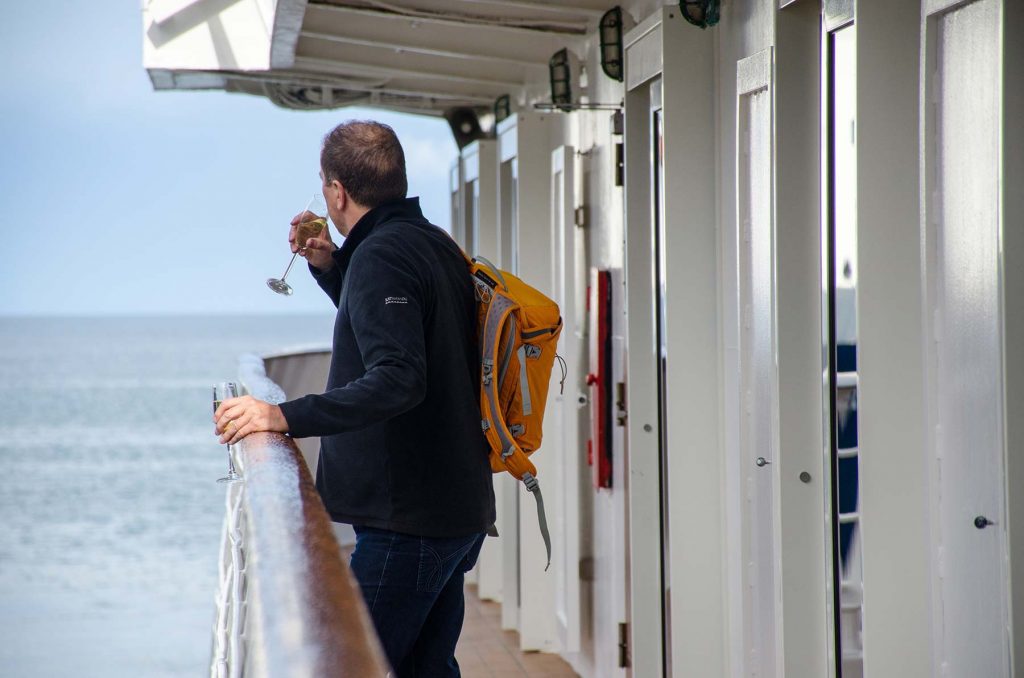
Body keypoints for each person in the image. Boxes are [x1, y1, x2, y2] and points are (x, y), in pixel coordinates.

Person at [213, 120, 495, 677]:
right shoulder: (429, 242)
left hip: (409, 523)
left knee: (348, 664)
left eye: (325, 188)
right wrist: (330, 265)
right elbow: (394, 331)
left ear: (337, 192)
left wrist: (283, 415)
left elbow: (398, 376)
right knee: (425, 668)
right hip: (451, 507)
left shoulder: (382, 256)